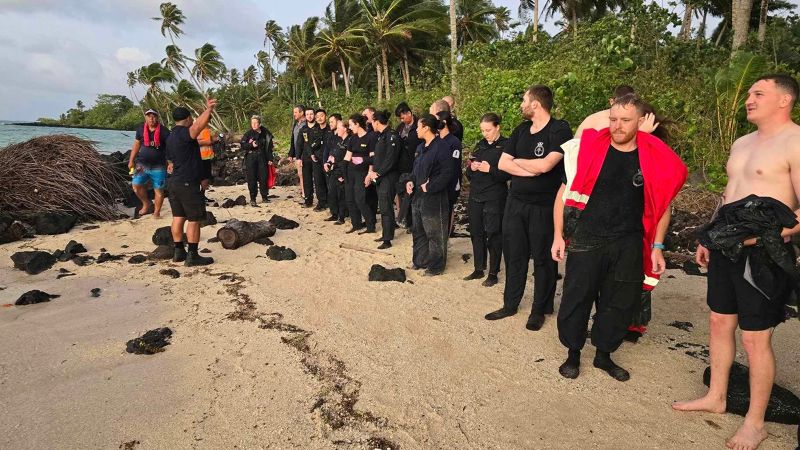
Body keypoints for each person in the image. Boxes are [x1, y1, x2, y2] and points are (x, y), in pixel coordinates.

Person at [673, 74, 800, 450]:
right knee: (718, 322)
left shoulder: (795, 141)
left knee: (755, 337)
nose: (748, 99)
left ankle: (755, 422)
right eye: (748, 93)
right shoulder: (742, 142)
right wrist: (708, 236)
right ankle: (717, 395)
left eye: (758, 93)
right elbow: (729, 195)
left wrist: (773, 236)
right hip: (726, 245)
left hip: (764, 252)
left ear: (784, 100)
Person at [551, 93, 686, 382]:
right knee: (576, 298)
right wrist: (557, 236)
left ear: (641, 122)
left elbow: (662, 207)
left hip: (628, 242)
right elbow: (562, 195)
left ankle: (603, 355)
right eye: (613, 119)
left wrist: (658, 246)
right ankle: (573, 353)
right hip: (587, 237)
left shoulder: (651, 158)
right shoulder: (587, 150)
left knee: (617, 302)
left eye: (625, 120)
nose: (617, 126)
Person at [483, 85, 572, 331]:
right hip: (516, 203)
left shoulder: (559, 129)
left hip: (544, 206)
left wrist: (522, 164)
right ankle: (510, 304)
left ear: (535, 104)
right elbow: (502, 163)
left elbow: (547, 165)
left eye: (524, 100)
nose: (521, 105)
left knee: (544, 260)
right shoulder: (521, 130)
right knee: (514, 255)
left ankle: (539, 309)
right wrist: (531, 167)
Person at [165, 100, 217, 266]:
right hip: (187, 182)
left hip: (174, 183)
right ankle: (192, 255)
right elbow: (198, 127)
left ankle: (179, 251)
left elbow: (170, 161)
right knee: (194, 219)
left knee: (178, 217)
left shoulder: (171, 136)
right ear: (187, 119)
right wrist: (208, 109)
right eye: (191, 119)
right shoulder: (184, 133)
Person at [407, 114, 456, 276]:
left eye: (418, 127)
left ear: (426, 127)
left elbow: (448, 172)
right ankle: (420, 261)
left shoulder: (441, 147)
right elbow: (415, 170)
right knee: (418, 230)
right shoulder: (421, 148)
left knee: (435, 233)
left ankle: (436, 266)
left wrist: (431, 186)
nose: (416, 130)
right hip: (418, 196)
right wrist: (410, 181)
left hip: (435, 197)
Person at [464, 113, 509, 287]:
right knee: (476, 232)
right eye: (482, 130)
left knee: (493, 234)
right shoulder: (479, 146)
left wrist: (490, 169)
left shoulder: (506, 145)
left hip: (495, 196)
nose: (485, 134)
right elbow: (467, 172)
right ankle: (478, 268)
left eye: (488, 130)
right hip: (476, 194)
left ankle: (493, 272)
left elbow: (508, 173)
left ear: (497, 127)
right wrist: (472, 167)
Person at [366, 110, 401, 249]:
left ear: (377, 122)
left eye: (372, 122)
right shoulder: (381, 137)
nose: (371, 125)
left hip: (388, 177)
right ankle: (387, 233)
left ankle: (387, 239)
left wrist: (378, 173)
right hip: (381, 177)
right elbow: (378, 157)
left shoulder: (391, 136)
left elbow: (390, 160)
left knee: (386, 208)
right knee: (384, 205)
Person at [128, 109, 170, 218]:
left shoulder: (165, 131)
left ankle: (156, 212)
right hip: (142, 164)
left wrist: (171, 162)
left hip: (159, 166)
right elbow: (136, 145)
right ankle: (146, 203)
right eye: (149, 116)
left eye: (154, 116)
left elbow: (170, 148)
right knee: (136, 185)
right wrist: (131, 160)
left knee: (159, 190)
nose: (151, 118)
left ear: (157, 118)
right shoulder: (140, 129)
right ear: (145, 117)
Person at [344, 114, 378, 234]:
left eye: (351, 125)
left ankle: (370, 224)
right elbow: (347, 156)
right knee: (350, 199)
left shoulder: (370, 137)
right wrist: (342, 171)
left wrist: (369, 173)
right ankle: (356, 224)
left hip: (362, 172)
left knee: (360, 199)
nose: (350, 127)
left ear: (357, 124)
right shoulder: (352, 138)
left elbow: (372, 158)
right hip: (351, 171)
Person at [434, 111, 464, 226]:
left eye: (437, 120)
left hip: (450, 182)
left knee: (447, 209)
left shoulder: (454, 141)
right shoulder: (436, 140)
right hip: (437, 181)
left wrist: (454, 183)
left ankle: (446, 237)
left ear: (444, 122)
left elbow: (455, 166)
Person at [240, 115, 274, 206]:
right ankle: (253, 199)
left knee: (263, 177)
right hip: (251, 157)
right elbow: (242, 145)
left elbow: (269, 147)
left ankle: (264, 197)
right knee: (252, 178)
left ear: (259, 124)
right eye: (252, 123)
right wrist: (251, 145)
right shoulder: (248, 134)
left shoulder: (266, 133)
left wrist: (270, 158)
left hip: (262, 157)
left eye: (256, 123)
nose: (254, 125)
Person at [395, 102, 420, 228]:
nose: (402, 119)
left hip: (415, 163)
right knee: (403, 193)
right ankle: (406, 220)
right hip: (402, 165)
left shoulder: (419, 125)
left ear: (409, 113)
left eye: (403, 117)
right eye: (400, 118)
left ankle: (414, 222)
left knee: (413, 194)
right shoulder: (400, 128)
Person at [324, 117, 350, 224]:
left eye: (339, 127)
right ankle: (334, 214)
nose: (337, 130)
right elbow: (332, 153)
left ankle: (342, 216)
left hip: (342, 171)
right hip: (333, 170)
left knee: (341, 194)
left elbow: (347, 159)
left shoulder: (349, 141)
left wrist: (343, 174)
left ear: (345, 129)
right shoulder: (338, 139)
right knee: (332, 192)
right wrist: (327, 162)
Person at [299, 107, 325, 208]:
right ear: (305, 116)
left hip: (317, 157)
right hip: (305, 158)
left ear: (314, 115)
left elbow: (320, 143)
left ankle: (322, 202)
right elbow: (299, 144)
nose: (309, 116)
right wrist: (298, 157)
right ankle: (308, 200)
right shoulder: (303, 129)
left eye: (311, 114)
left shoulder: (319, 128)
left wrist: (314, 153)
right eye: (307, 114)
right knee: (307, 180)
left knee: (318, 180)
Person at [311, 109, 330, 211]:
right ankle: (321, 202)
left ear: (325, 116)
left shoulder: (330, 129)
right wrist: (311, 154)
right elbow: (310, 144)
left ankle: (330, 202)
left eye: (321, 116)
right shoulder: (314, 130)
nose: (319, 118)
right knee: (318, 181)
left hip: (327, 159)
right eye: (317, 116)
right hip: (317, 159)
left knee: (328, 181)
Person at [288, 105, 306, 200]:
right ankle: (303, 192)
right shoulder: (296, 124)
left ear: (301, 113)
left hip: (305, 153)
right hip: (297, 153)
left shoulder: (307, 124)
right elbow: (293, 139)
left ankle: (305, 193)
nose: (294, 114)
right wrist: (291, 153)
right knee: (300, 174)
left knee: (304, 174)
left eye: (295, 112)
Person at [197, 124, 217, 197]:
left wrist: (214, 140)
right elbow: (194, 141)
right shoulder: (197, 130)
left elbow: (211, 140)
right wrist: (207, 142)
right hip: (199, 158)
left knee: (206, 178)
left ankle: (202, 196)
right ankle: (199, 196)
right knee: (201, 178)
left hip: (207, 157)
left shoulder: (208, 130)